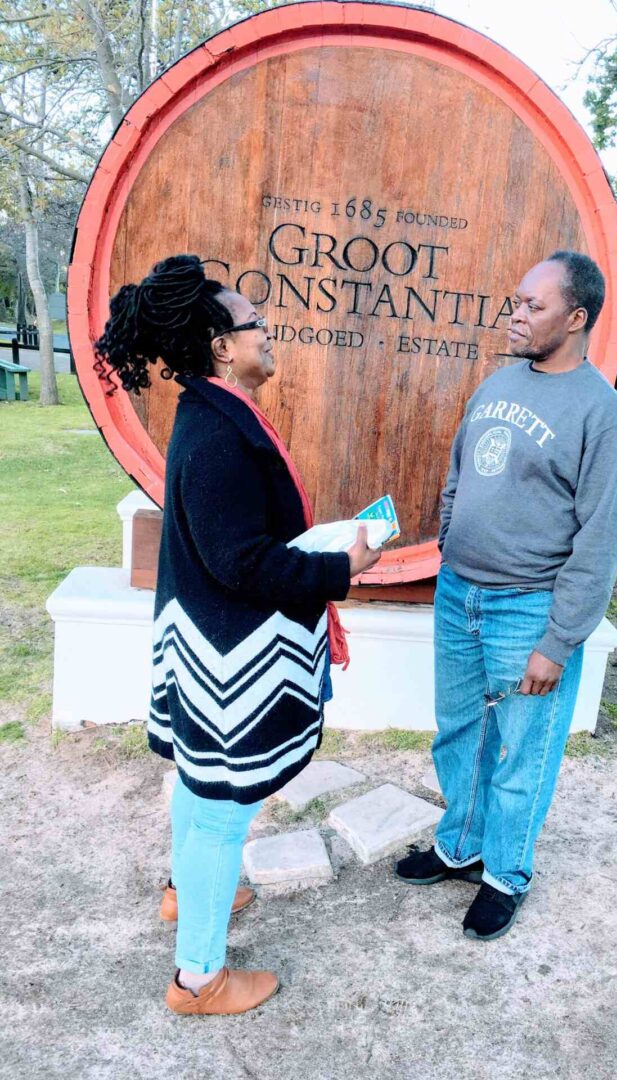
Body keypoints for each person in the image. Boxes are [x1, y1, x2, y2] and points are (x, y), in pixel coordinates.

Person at [94, 254, 380, 1014]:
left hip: (210, 645)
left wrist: (314, 548)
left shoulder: (213, 414)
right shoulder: (218, 433)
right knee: (222, 810)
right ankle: (200, 979)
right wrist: (337, 568)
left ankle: (186, 895)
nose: (267, 332)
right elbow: (240, 560)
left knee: (198, 783)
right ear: (223, 344)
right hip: (234, 662)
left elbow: (233, 544)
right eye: (256, 322)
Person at [395, 251, 617, 941]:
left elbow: (600, 540)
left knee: (521, 751)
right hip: (458, 595)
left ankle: (505, 873)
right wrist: (450, 539)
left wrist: (558, 642)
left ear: (577, 317)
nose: (517, 314)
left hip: (527, 609)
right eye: (517, 302)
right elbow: (459, 469)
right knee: (461, 733)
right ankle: (461, 846)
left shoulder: (602, 416)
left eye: (534, 305)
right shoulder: (498, 383)